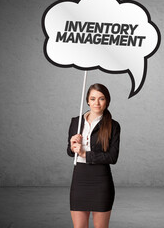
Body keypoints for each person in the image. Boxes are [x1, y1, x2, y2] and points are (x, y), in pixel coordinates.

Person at [67, 83, 120, 228]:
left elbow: (112, 157)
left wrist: (85, 153)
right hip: (79, 178)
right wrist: (72, 146)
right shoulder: (76, 122)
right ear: (87, 101)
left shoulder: (113, 126)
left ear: (107, 101)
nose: (96, 103)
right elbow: (70, 151)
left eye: (101, 99)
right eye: (93, 98)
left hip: (101, 180)